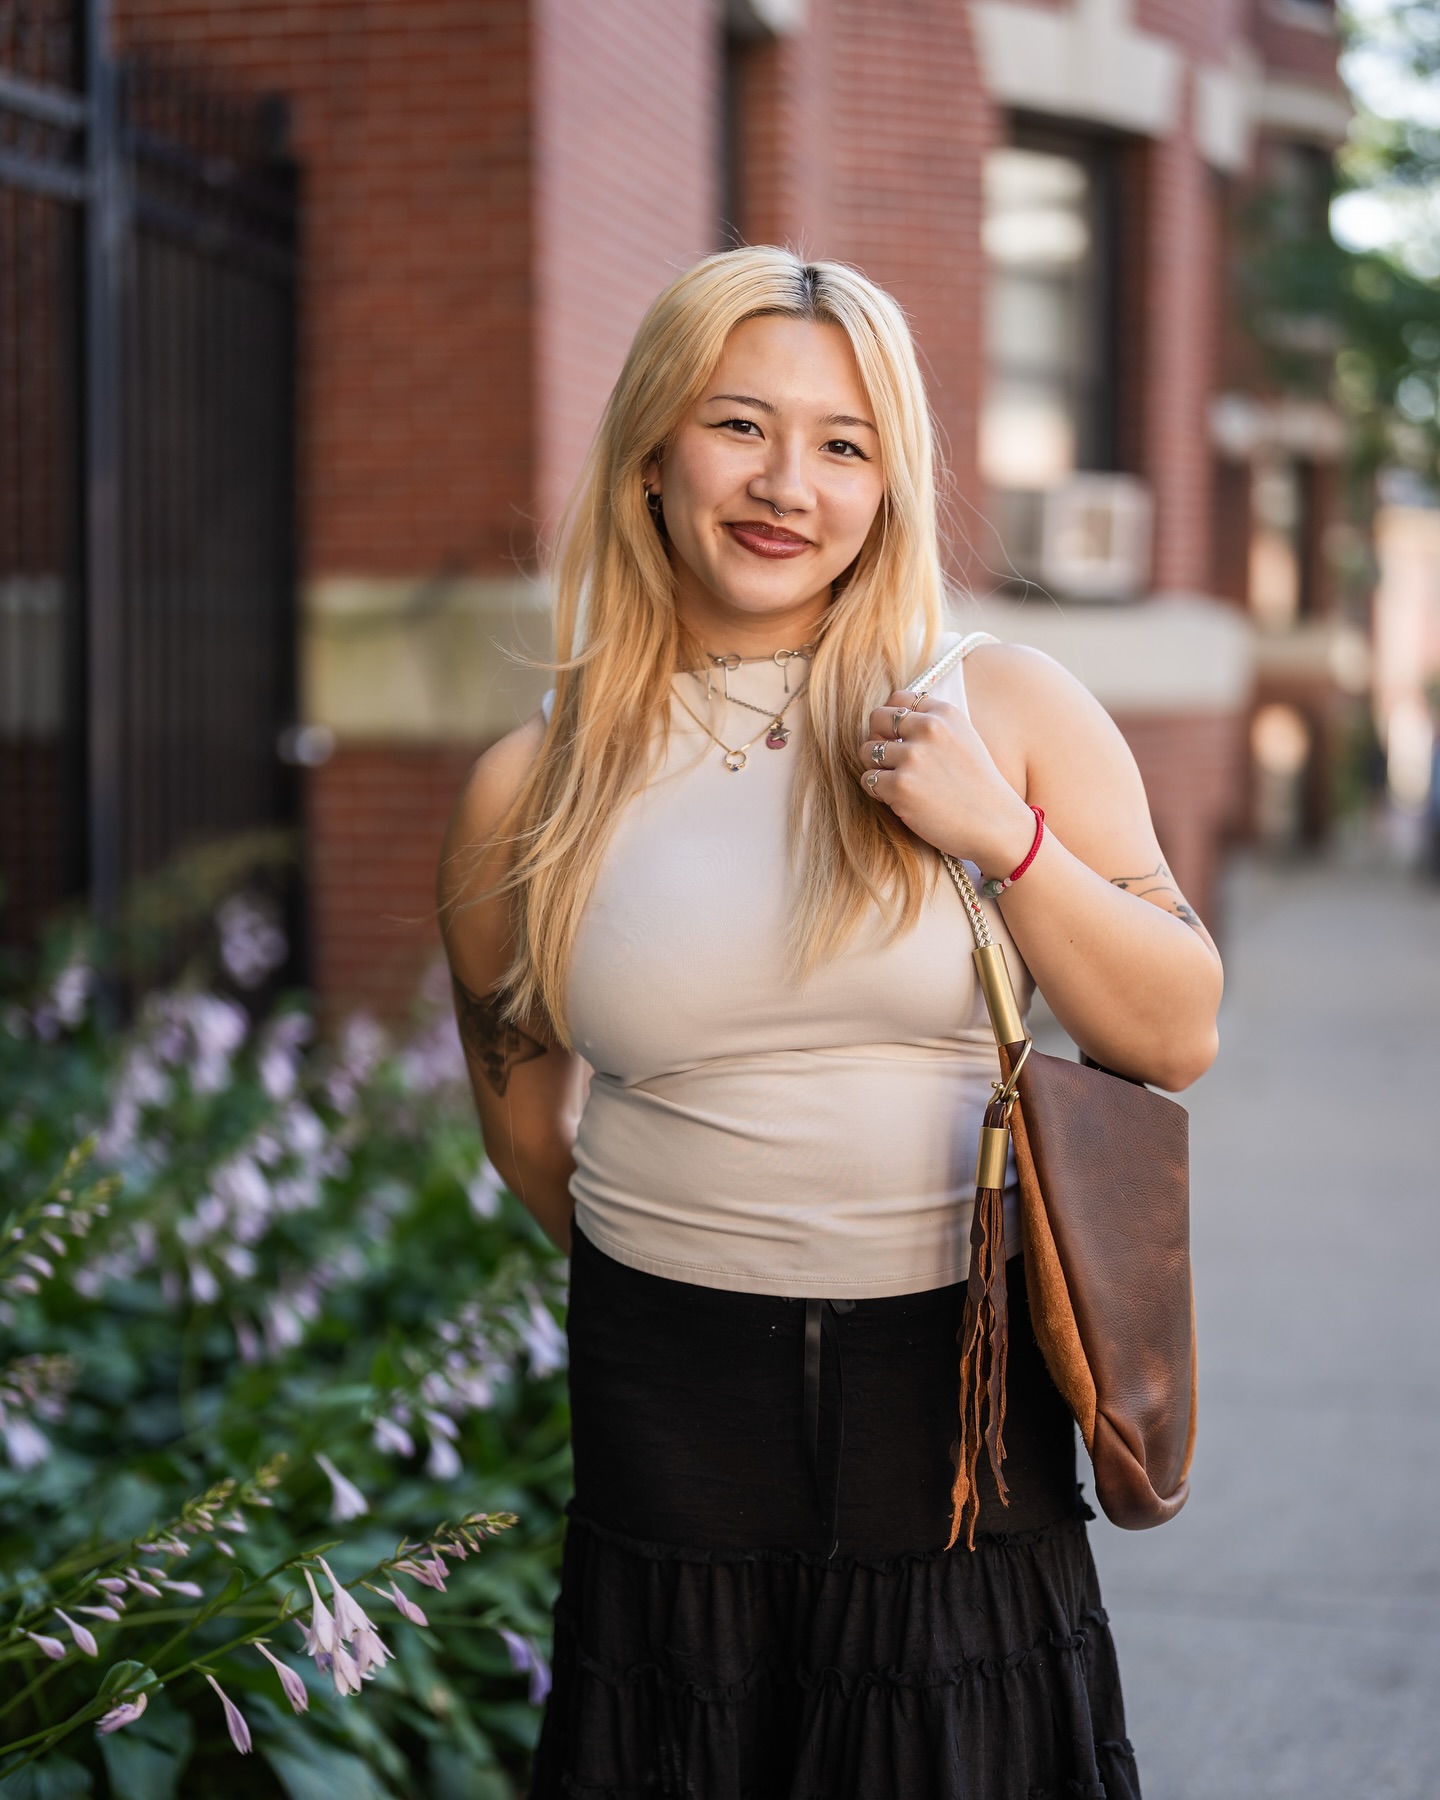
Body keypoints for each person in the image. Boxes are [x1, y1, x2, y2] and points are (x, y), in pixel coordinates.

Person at [438, 246, 1222, 1800]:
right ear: (652, 451)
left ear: (889, 485)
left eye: (844, 445)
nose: (786, 484)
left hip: (958, 1384)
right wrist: (717, 1255)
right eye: (739, 424)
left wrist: (1001, 835)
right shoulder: (533, 784)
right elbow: (526, 1126)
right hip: (670, 1388)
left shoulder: (998, 706)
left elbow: (1176, 1030)